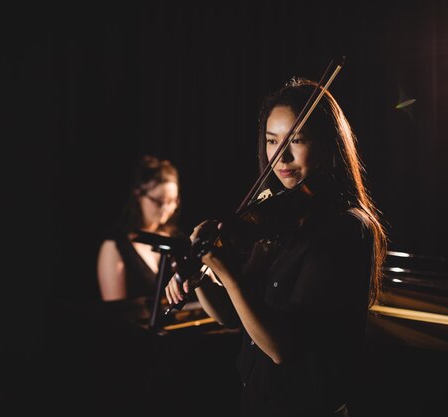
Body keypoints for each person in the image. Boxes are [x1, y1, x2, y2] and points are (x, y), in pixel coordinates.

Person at [165, 77, 387, 417]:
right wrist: (203, 279)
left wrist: (227, 272)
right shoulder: (278, 219)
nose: (281, 156)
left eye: (297, 140)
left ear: (328, 146)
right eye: (272, 141)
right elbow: (232, 316)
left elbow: (282, 347)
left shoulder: (346, 228)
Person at [97, 155, 182, 302]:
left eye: (172, 201)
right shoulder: (115, 246)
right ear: (139, 195)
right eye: (159, 201)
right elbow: (116, 313)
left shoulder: (176, 238)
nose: (166, 209)